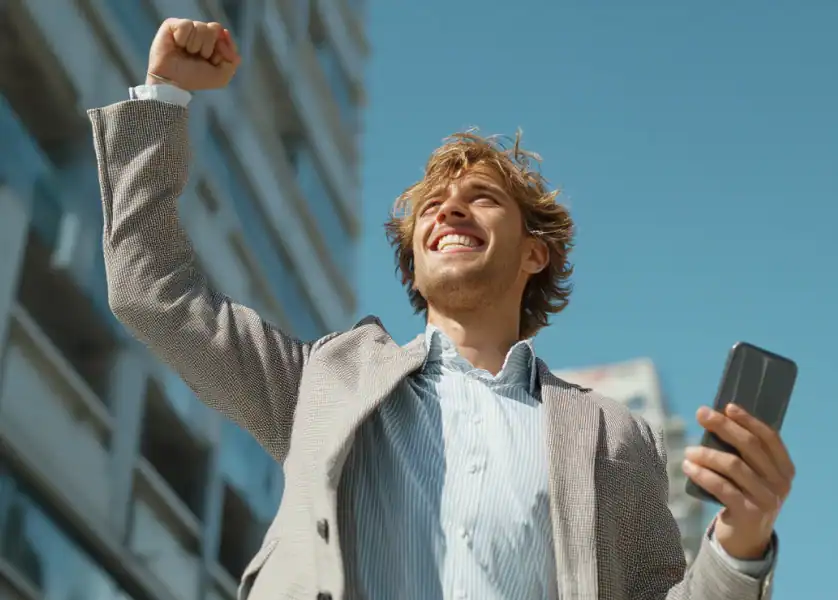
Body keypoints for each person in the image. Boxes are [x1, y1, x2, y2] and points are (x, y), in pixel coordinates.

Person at [88, 18, 794, 600]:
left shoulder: (615, 437)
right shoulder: (325, 384)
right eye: (433, 206)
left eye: (482, 198)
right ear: (415, 263)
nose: (451, 205)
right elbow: (151, 290)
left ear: (534, 254)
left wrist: (743, 538)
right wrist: (164, 97)